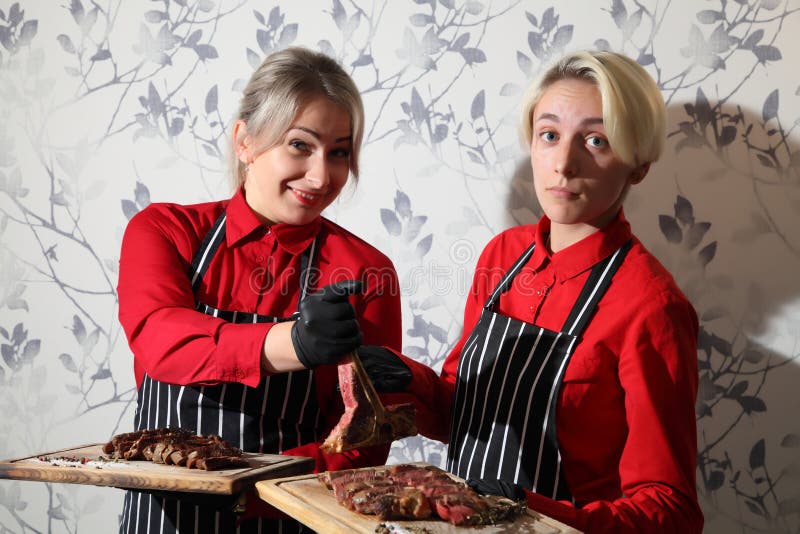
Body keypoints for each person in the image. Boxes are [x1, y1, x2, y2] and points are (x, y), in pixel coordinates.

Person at [364, 50, 703, 533]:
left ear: (639, 165)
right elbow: (466, 413)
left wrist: (533, 508)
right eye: (549, 135)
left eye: (596, 140)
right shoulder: (503, 255)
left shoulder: (652, 308)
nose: (564, 163)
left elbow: (672, 512)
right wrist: (407, 380)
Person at [116, 46, 405, 534]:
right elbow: (160, 338)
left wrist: (250, 489)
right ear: (245, 141)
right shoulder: (166, 231)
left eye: (338, 152)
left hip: (287, 516)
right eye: (300, 145)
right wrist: (294, 344)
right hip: (160, 518)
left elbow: (363, 438)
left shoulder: (365, 270)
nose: (320, 176)